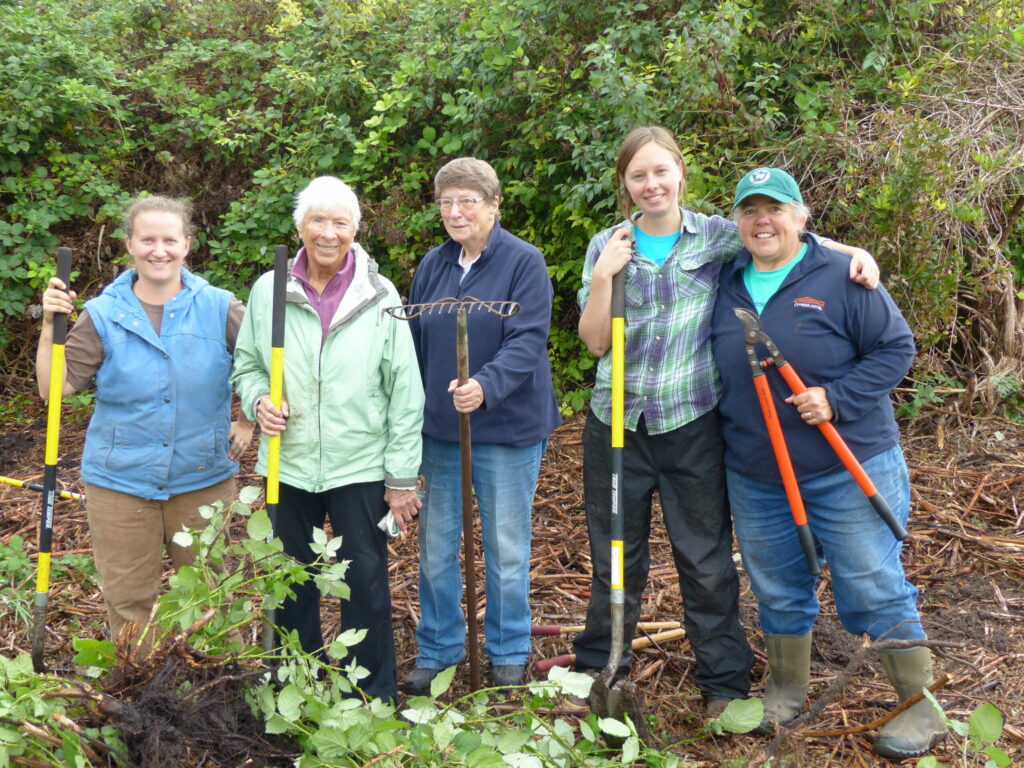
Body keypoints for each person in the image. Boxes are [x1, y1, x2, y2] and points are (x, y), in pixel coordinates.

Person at [573, 126, 880, 719]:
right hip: (615, 426)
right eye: (638, 175)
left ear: (680, 174)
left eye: (661, 171)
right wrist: (607, 274)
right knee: (616, 553)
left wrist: (852, 253)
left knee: (703, 556)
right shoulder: (606, 244)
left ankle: (723, 684)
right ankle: (601, 668)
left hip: (690, 423)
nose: (651, 183)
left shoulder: (714, 235)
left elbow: (783, 238)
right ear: (625, 184)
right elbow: (591, 343)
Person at [710, 167, 944, 758]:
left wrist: (835, 398)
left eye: (776, 208)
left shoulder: (843, 275)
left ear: (800, 215)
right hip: (756, 471)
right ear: (736, 220)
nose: (763, 220)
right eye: (750, 210)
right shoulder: (725, 278)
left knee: (872, 583)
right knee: (778, 588)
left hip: (847, 465)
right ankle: (786, 690)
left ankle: (920, 708)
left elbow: (896, 348)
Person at [232, 175, 424, 702]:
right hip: (287, 463)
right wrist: (257, 402)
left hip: (359, 465)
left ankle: (368, 698)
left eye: (340, 222)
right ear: (300, 226)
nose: (328, 233)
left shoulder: (380, 296)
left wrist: (401, 477)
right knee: (291, 583)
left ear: (356, 230)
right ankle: (296, 689)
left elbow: (405, 392)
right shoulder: (269, 290)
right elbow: (247, 366)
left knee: (363, 585)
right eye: (318, 220)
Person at [35, 196, 254, 651]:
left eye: (170, 239)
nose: (160, 250)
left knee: (211, 594)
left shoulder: (219, 307)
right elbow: (55, 388)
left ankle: (222, 697)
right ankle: (139, 699)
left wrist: (247, 418)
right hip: (120, 482)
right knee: (131, 601)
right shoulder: (102, 314)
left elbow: (265, 367)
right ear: (130, 245)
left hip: (203, 478)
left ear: (187, 245)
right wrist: (50, 324)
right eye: (148, 239)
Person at [400, 158, 561, 694]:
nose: (455, 212)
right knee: (437, 545)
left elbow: (528, 339)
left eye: (467, 200)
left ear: (494, 205)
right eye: (446, 202)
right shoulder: (434, 265)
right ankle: (440, 649)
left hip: (507, 431)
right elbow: (416, 344)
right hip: (442, 433)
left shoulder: (523, 262)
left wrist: (485, 386)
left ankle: (508, 650)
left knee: (506, 547)